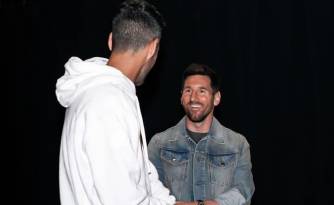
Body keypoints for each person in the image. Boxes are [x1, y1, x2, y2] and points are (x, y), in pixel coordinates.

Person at [55, 0, 175, 204]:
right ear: (152, 48)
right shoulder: (109, 101)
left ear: (111, 41)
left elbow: (139, 172)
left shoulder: (93, 90)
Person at [148, 63, 255, 205]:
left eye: (202, 91)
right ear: (181, 97)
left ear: (216, 98)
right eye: (188, 91)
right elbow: (148, 189)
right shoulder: (159, 143)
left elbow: (244, 191)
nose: (193, 98)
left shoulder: (237, 144)